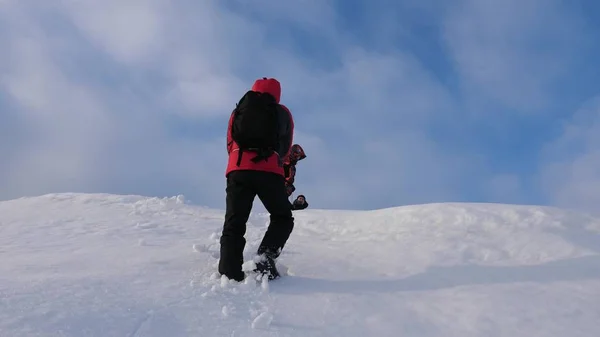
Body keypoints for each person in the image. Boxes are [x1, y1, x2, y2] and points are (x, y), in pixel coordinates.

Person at [219, 77, 295, 282]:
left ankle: (229, 273)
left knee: (234, 222)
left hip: (238, 168)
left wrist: (239, 161)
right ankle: (264, 260)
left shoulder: (238, 111)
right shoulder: (282, 113)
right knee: (282, 217)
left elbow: (229, 142)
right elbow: (286, 148)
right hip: (269, 171)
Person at [282, 144, 309, 211]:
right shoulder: (284, 163)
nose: (297, 159)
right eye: (297, 157)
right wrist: (286, 184)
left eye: (299, 158)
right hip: (279, 189)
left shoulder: (292, 166)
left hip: (284, 191)